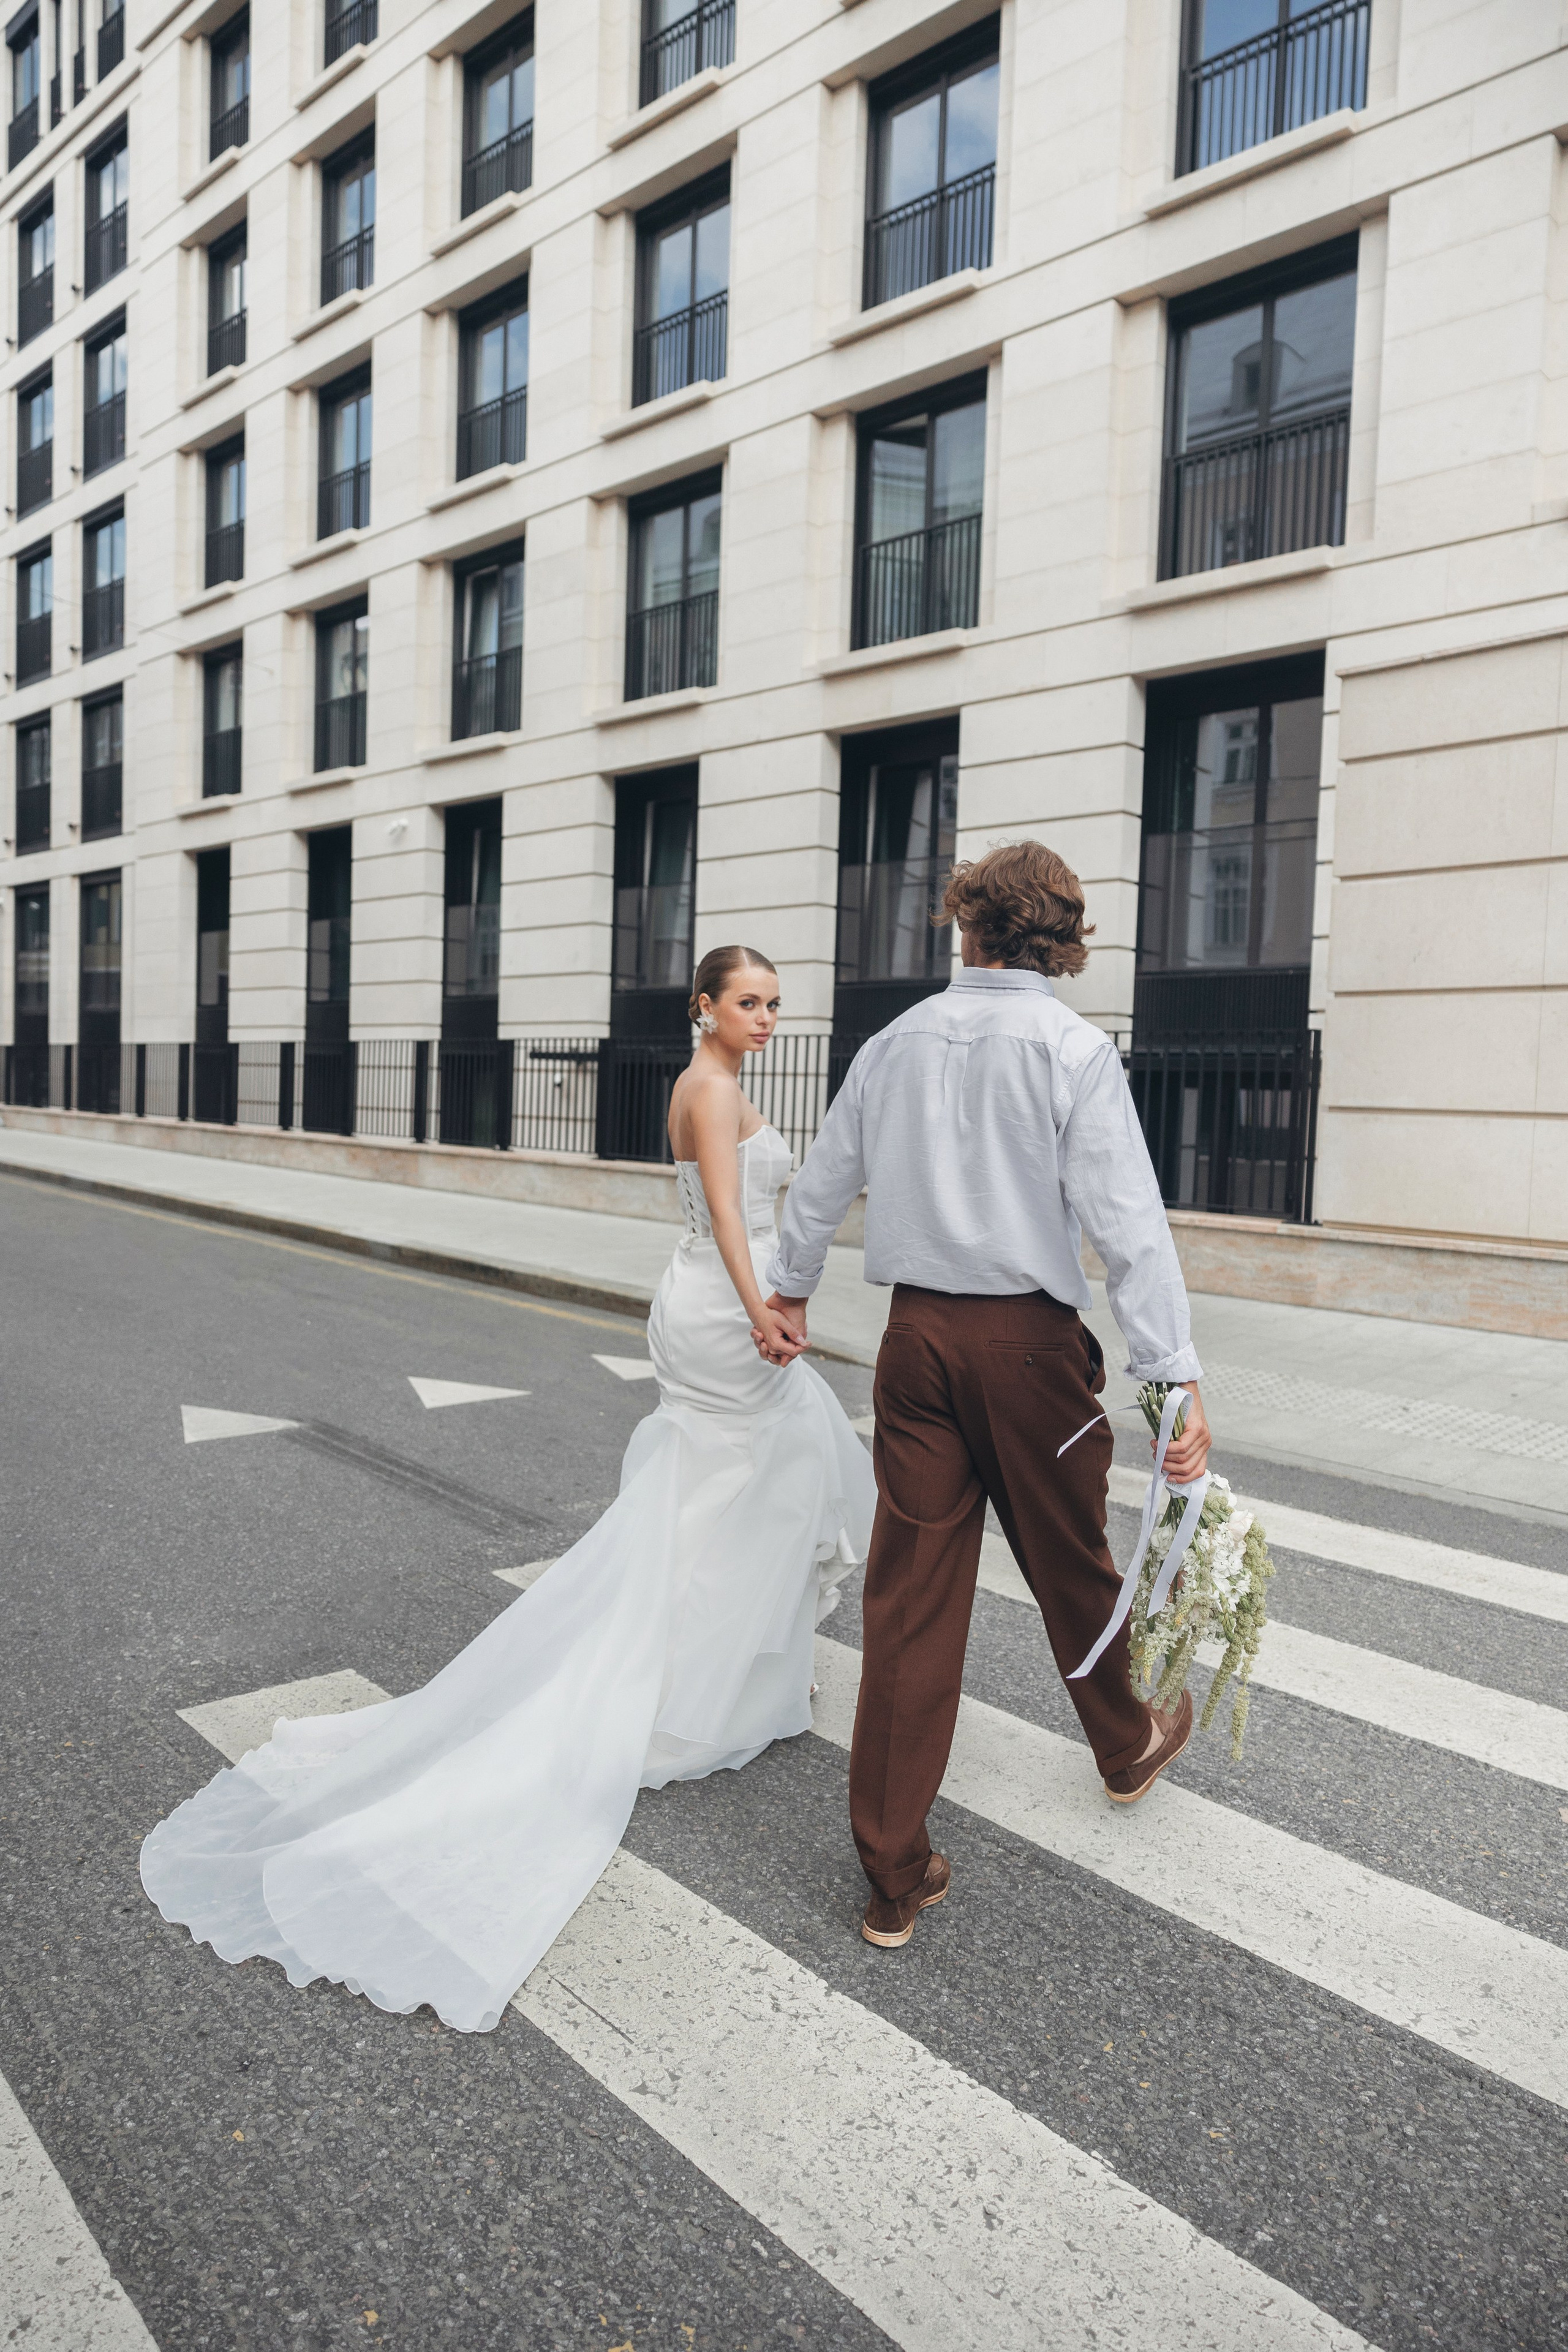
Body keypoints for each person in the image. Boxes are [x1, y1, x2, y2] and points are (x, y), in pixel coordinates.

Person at [140, 948, 875, 2033]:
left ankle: (714, 1663)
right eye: (748, 1002)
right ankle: (693, 1674)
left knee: (731, 1491)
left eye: (775, 1004)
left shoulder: (707, 1079)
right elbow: (728, 1215)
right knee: (752, 1482)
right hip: (730, 1303)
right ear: (704, 1007)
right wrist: (765, 1307)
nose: (767, 1018)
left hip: (705, 1299)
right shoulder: (714, 1090)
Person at [756, 842, 1212, 1950]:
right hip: (1028, 1350)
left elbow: (822, 1183)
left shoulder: (896, 1040)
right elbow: (1127, 1225)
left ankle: (893, 1876)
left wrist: (789, 1290)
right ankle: (1127, 1744)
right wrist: (1173, 1379)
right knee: (1071, 1559)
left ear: (967, 926)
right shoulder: (1072, 1050)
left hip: (915, 1343)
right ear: (1059, 939)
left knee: (909, 1598)